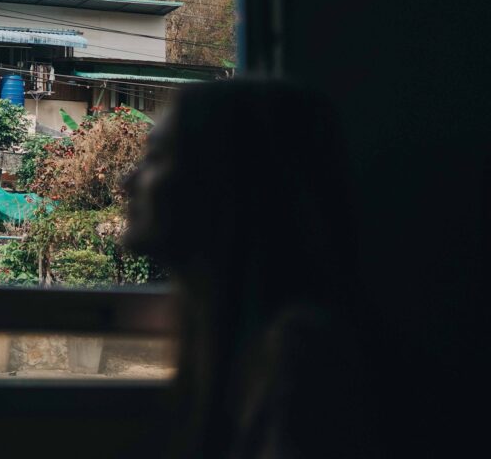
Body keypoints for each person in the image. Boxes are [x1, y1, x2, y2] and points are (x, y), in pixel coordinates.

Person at [123, 80, 380, 459]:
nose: (128, 181)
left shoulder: (301, 360)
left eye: (157, 157)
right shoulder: (230, 335)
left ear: (221, 178)